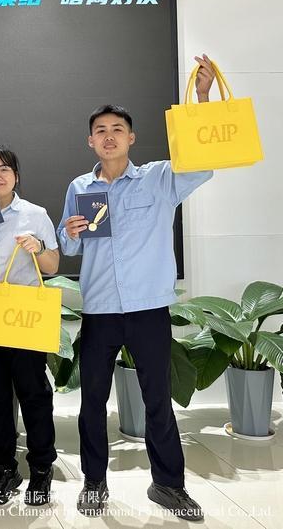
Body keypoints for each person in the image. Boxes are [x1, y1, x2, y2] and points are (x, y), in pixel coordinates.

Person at [58, 55, 216, 521]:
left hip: (148, 309)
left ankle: (168, 485)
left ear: (131, 137)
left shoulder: (160, 178)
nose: (109, 136)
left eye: (117, 129)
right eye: (100, 130)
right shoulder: (79, 186)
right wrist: (70, 230)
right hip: (100, 309)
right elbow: (68, 244)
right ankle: (94, 482)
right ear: (90, 140)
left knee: (157, 401)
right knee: (91, 402)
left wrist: (202, 98)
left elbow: (203, 162)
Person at [0, 146, 60, 508]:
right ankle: (3, 468)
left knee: (35, 395)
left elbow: (52, 265)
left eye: (3, 169)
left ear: (16, 176)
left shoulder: (35, 214)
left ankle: (42, 468)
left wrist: (38, 247)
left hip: (23, 321)